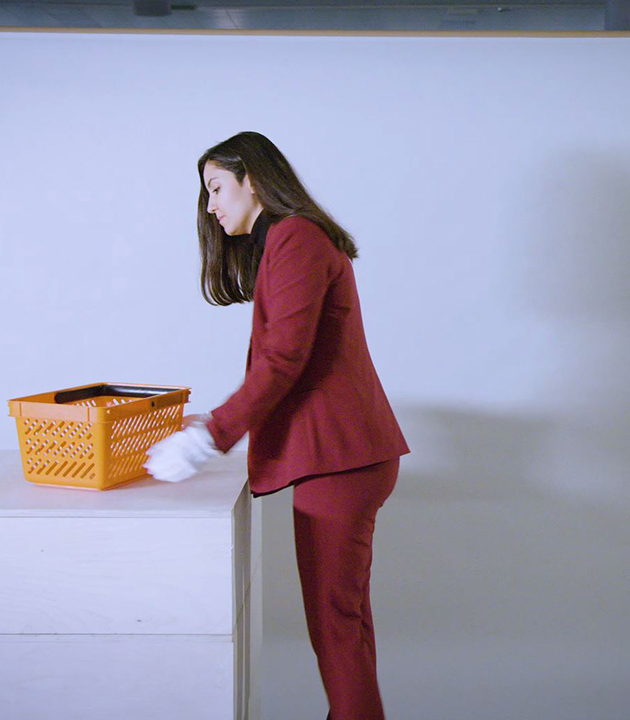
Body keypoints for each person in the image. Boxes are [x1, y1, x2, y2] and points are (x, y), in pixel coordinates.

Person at [145, 131, 410, 720]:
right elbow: (289, 361)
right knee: (343, 625)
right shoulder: (291, 240)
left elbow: (283, 359)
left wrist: (211, 435)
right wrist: (208, 423)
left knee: (336, 629)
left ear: (253, 179)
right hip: (345, 457)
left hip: (341, 460)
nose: (211, 206)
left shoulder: (295, 237)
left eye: (217, 188)